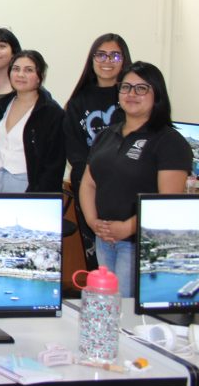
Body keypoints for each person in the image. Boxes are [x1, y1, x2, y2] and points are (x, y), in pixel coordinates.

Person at [78, 62, 190, 297]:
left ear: (157, 94)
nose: (131, 94)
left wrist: (127, 228)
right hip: (104, 238)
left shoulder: (169, 141)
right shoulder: (106, 134)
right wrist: (92, 221)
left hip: (138, 244)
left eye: (141, 88)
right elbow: (88, 183)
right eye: (126, 87)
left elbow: (167, 203)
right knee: (107, 303)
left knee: (125, 308)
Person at [63, 33, 133, 270]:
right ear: (92, 59)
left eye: (115, 55)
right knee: (98, 267)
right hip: (89, 189)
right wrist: (93, 184)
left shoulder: (132, 97)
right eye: (101, 55)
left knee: (127, 264)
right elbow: (75, 151)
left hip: (127, 191)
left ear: (124, 60)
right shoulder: (78, 101)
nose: (107, 61)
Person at [0, 50, 65, 193]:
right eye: (16, 69)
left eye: (29, 70)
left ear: (40, 76)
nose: (20, 75)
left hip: (26, 185)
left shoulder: (52, 113)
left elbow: (54, 164)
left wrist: (39, 195)